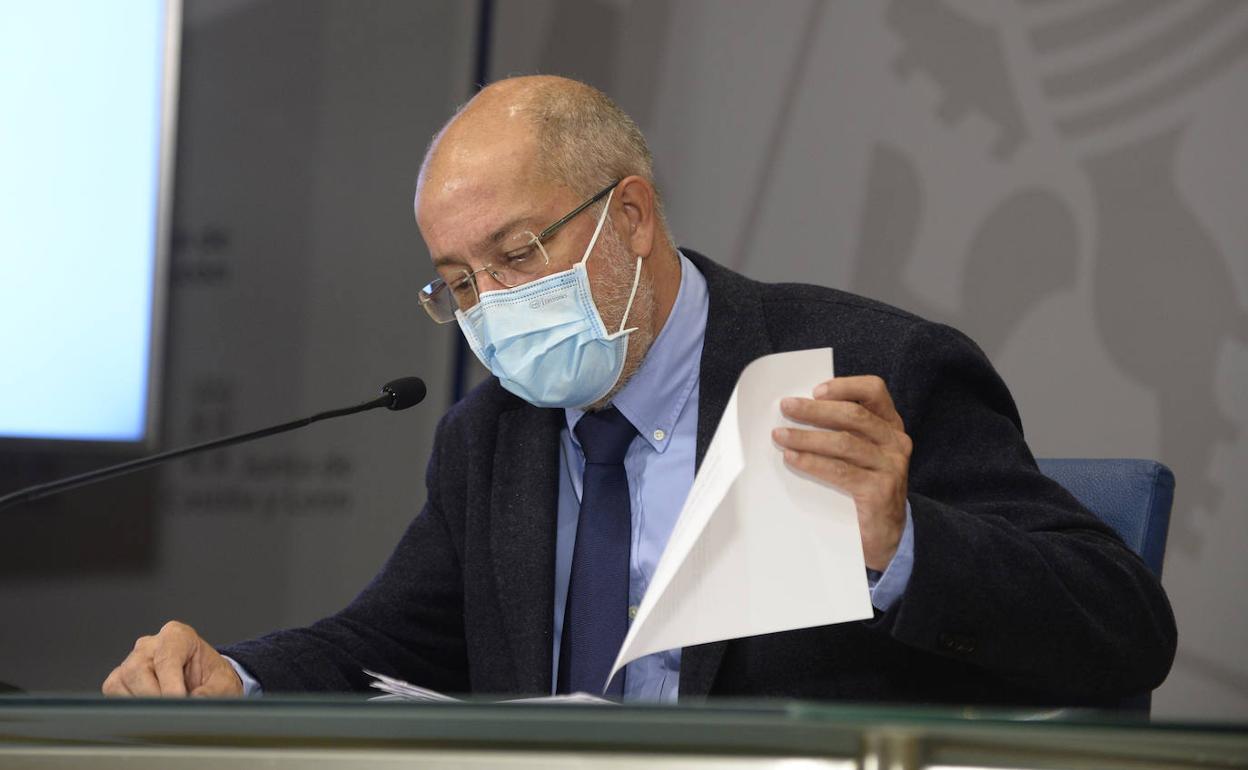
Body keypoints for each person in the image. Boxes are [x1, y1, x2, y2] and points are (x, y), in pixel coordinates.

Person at [103, 76, 1175, 706]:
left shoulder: (863, 368)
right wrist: (233, 675)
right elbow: (387, 641)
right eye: (460, 281)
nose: (489, 306)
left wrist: (903, 546)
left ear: (631, 219)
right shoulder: (492, 437)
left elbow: (1125, 624)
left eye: (518, 254)